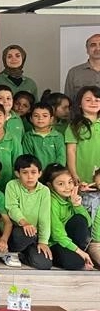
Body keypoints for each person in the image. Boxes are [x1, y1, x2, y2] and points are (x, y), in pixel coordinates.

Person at [4, 154, 53, 270]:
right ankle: (11, 252)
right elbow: (12, 208)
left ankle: (23, 255)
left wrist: (43, 241)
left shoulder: (44, 191)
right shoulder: (12, 185)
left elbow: (44, 217)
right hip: (17, 231)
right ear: (17, 173)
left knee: (45, 264)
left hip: (33, 235)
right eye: (25, 172)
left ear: (40, 173)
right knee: (23, 234)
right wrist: (24, 223)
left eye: (33, 172)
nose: (30, 176)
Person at [44, 163, 94, 270]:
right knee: (75, 263)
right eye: (61, 184)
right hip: (55, 243)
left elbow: (88, 223)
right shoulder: (51, 202)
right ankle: (77, 255)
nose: (67, 187)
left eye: (70, 182)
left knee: (79, 220)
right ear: (50, 185)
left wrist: (77, 206)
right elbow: (57, 235)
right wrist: (79, 252)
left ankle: (79, 253)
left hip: (69, 241)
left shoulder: (71, 197)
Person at [65, 86, 100, 219]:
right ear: (79, 103)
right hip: (83, 177)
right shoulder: (74, 126)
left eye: (97, 100)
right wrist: (74, 173)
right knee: (86, 211)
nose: (93, 102)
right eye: (88, 100)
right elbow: (71, 151)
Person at [22, 102, 66, 169]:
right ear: (31, 119)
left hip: (54, 173)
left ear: (51, 119)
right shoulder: (28, 136)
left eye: (45, 116)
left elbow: (61, 157)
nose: (40, 118)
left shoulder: (58, 136)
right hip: (35, 173)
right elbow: (28, 158)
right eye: (36, 116)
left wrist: (55, 171)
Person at [65, 34, 100, 101]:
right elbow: (68, 101)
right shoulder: (74, 72)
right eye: (93, 45)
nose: (98, 48)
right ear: (87, 50)